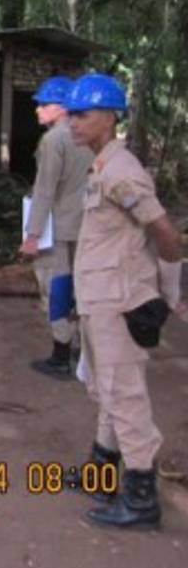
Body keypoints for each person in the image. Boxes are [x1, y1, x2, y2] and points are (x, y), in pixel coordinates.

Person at [65, 73, 182, 530]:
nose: (73, 122)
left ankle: (140, 497)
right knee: (107, 389)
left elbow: (165, 233)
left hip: (120, 303)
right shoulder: (100, 168)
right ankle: (101, 470)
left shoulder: (121, 171)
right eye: (71, 113)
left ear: (110, 118)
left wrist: (170, 286)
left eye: (83, 114)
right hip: (99, 300)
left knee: (124, 394)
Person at [19, 75, 93, 379]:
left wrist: (32, 235)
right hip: (87, 226)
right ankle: (81, 353)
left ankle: (61, 356)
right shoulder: (88, 136)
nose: (37, 110)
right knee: (82, 289)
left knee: (56, 288)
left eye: (43, 104)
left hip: (59, 228)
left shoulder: (54, 139)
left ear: (62, 107)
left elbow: (45, 189)